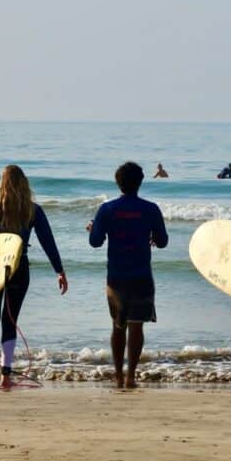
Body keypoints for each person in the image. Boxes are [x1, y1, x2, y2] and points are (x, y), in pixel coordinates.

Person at [0, 165, 68, 387]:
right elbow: (48, 241)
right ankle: (5, 374)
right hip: (19, 268)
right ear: (24, 184)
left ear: (2, 185)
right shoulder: (33, 210)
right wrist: (59, 270)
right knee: (10, 320)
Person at [87, 162, 168, 389]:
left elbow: (95, 242)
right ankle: (131, 376)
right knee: (137, 326)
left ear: (118, 183)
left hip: (116, 276)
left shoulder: (107, 209)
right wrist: (151, 236)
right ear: (140, 183)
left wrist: (93, 228)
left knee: (118, 326)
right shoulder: (151, 209)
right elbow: (162, 241)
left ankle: (118, 376)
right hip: (142, 274)